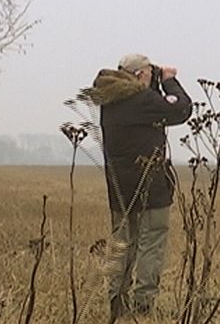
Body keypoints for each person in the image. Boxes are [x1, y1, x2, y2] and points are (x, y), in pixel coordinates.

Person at [84, 53, 192, 320]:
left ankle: (115, 302)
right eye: (148, 73)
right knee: (151, 243)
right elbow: (182, 110)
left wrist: (154, 86)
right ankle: (143, 305)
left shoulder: (110, 99)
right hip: (149, 187)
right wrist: (169, 81)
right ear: (141, 75)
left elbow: (152, 108)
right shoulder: (141, 100)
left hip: (119, 188)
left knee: (122, 245)